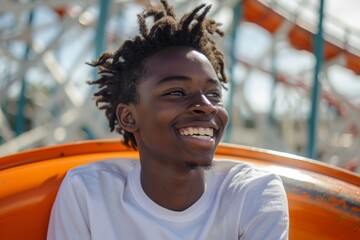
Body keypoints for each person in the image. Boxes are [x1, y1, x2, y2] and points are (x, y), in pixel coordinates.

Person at [47, 0, 289, 239]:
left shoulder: (254, 192)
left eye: (214, 94)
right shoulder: (87, 192)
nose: (206, 107)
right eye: (176, 92)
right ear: (128, 117)